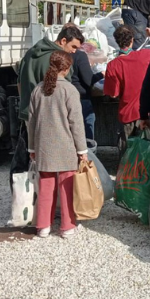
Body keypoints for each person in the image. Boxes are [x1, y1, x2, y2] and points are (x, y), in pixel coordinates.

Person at [28, 51, 88, 239]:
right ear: (67, 68)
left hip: (43, 145)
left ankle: (43, 226)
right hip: (66, 145)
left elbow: (31, 121)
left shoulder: (38, 89)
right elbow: (76, 123)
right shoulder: (69, 90)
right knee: (66, 187)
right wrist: (82, 150)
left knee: (45, 186)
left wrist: (32, 148)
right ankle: (67, 226)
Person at [104, 25, 150, 156]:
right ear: (132, 39)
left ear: (116, 41)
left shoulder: (113, 65)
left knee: (128, 154)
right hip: (147, 112)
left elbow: (113, 93)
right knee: (148, 152)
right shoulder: (146, 55)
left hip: (127, 115)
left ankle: (129, 175)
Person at [18, 24, 85, 122]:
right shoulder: (61, 60)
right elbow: (64, 92)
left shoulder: (30, 52)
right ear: (63, 41)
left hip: (28, 112)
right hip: (50, 117)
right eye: (73, 46)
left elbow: (19, 83)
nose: (74, 51)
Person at [71, 48, 104, 142]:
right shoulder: (80, 55)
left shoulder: (61, 54)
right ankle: (89, 151)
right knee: (87, 125)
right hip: (82, 97)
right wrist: (101, 74)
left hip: (67, 98)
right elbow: (88, 80)